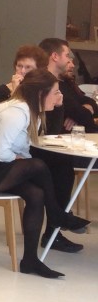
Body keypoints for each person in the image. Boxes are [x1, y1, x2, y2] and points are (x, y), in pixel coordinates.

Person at [0, 69, 90, 279]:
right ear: (40, 94)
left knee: (36, 193)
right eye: (55, 92)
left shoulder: (31, 112)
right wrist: (21, 161)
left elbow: (22, 149)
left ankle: (30, 260)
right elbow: (0, 152)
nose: (60, 97)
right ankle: (56, 213)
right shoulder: (17, 112)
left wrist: (22, 159)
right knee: (37, 165)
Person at [36, 37, 96, 253]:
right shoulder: (49, 84)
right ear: (55, 56)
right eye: (67, 55)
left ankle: (57, 224)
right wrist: (80, 114)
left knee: (62, 167)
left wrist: (83, 111)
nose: (71, 59)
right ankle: (58, 223)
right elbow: (85, 118)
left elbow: (89, 105)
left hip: (64, 145)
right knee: (62, 167)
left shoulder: (65, 84)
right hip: (50, 147)